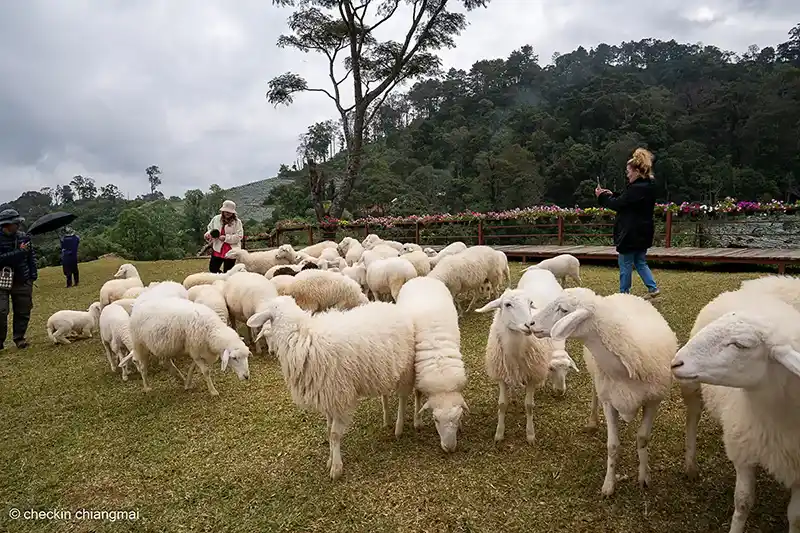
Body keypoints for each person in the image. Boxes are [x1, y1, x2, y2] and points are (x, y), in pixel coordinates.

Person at [595, 147, 660, 299]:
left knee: (625, 264)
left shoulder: (636, 189)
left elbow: (618, 204)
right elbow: (626, 200)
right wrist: (610, 194)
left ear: (637, 171)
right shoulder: (648, 186)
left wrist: (602, 197)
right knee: (640, 261)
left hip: (630, 232)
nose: (627, 174)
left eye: (628, 171)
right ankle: (653, 288)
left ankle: (624, 293)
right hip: (644, 231)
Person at [0, 208, 37, 350]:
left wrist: (33, 275)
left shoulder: (23, 237)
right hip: (1, 280)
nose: (18, 226)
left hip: (22, 279)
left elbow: (31, 257)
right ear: (7, 225)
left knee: (23, 310)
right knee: (1, 311)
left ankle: (19, 337)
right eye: (16, 223)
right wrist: (19, 252)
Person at [204, 200, 244, 273]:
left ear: (233, 212)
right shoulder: (216, 219)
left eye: (230, 212)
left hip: (231, 250)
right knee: (213, 269)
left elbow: (239, 236)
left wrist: (226, 238)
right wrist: (208, 234)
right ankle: (220, 278)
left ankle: (226, 282)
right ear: (223, 211)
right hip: (218, 248)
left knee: (228, 271)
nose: (228, 213)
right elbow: (210, 228)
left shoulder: (237, 222)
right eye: (226, 211)